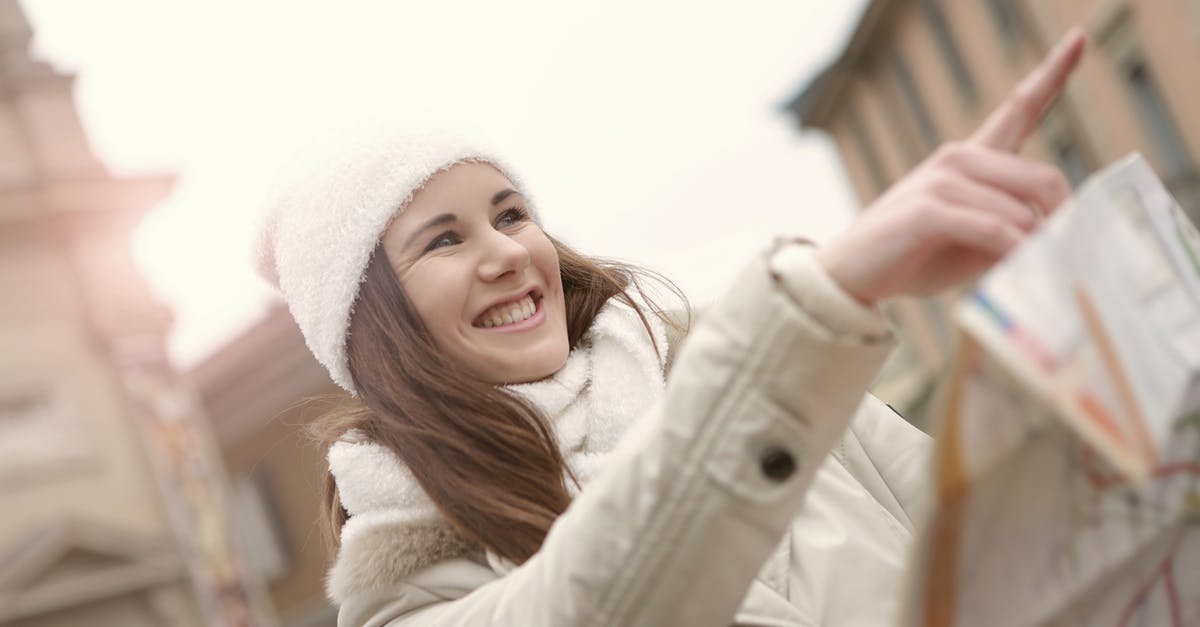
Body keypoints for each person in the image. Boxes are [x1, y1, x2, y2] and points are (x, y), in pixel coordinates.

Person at [255, 29, 1086, 627]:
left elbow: (1005, 548)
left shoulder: (726, 361)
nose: (507, 251)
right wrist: (819, 300)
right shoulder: (405, 591)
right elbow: (604, 599)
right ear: (374, 332)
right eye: (444, 238)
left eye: (511, 213)